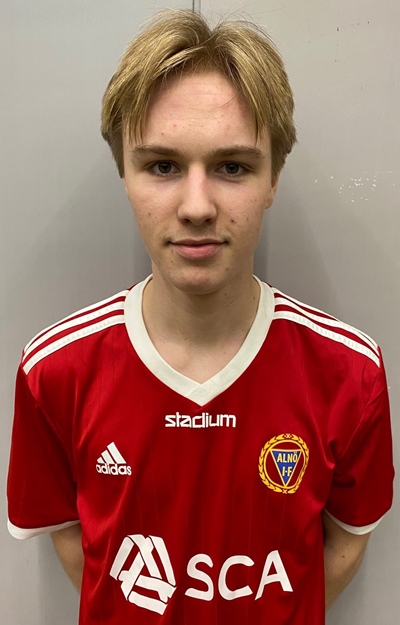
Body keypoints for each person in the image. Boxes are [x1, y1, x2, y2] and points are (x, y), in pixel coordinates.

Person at [7, 8, 394, 625]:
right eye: (162, 166)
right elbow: (78, 546)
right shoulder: (55, 371)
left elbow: (345, 544)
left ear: (273, 179)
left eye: (232, 166)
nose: (196, 206)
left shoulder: (350, 374)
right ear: (125, 174)